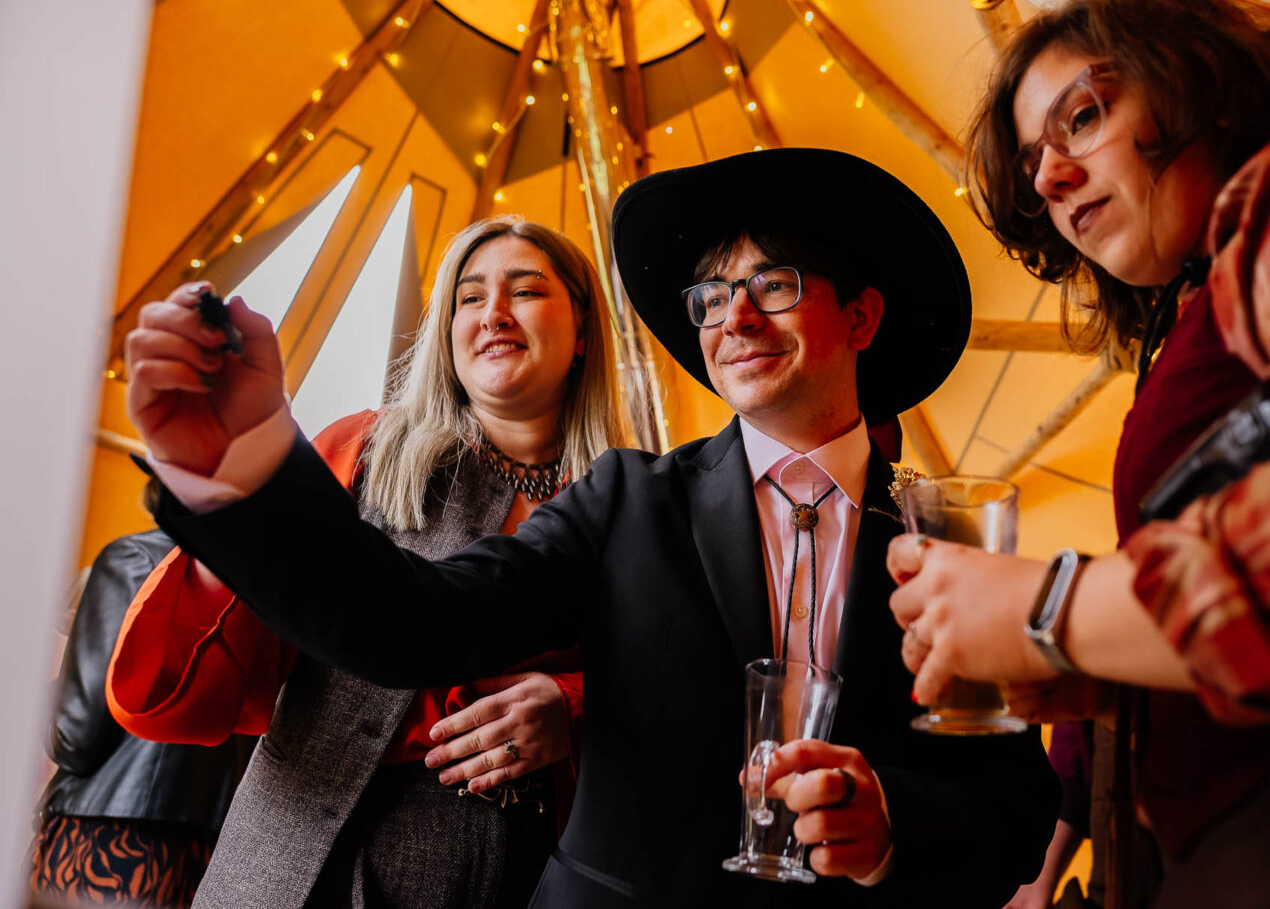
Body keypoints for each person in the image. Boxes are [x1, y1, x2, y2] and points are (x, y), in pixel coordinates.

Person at [120, 148, 1060, 906]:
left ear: (861, 317)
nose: (733, 313)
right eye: (709, 296)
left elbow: (1016, 810)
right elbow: (409, 623)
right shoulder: (626, 500)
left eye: (772, 283)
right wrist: (246, 463)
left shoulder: (950, 542)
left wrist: (892, 825)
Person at [887, 0, 1270, 907]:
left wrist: (1056, 607)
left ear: (1198, 82)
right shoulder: (1195, 314)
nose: (1049, 179)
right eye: (1032, 166)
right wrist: (1102, 673)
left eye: (1083, 116)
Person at [106, 216, 625, 908]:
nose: (493, 312)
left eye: (525, 290)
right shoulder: (360, 449)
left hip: (516, 871)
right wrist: (229, 514)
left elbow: (682, 682)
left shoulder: (631, 505)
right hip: (291, 845)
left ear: (584, 330)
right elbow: (199, 683)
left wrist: (577, 712)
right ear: (445, 331)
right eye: (469, 298)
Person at [33, 529, 255, 906]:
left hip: (105, 840)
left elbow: (73, 739)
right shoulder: (268, 573)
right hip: (204, 848)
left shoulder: (133, 558)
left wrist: (48, 685)